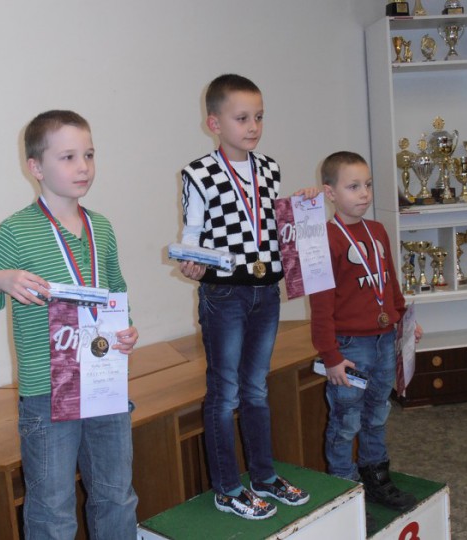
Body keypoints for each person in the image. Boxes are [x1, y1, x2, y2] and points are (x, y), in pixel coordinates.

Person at [0, 110, 138, 539]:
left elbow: (115, 290)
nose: (83, 166)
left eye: (89, 155)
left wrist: (126, 329)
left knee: (117, 496)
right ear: (35, 167)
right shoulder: (17, 231)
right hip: (48, 393)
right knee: (52, 509)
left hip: (104, 382)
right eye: (68, 157)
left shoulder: (101, 227)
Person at [178, 74, 314, 520]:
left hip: (265, 291)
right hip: (225, 294)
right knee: (225, 393)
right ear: (214, 123)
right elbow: (191, 234)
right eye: (242, 118)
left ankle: (263, 477)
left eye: (259, 117)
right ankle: (226, 488)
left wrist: (304, 205)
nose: (253, 126)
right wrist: (191, 260)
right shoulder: (198, 173)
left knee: (256, 388)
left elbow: (274, 225)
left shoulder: (269, 168)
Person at [309, 151, 422, 517]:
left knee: (377, 413)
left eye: (368, 185)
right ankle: (344, 491)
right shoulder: (324, 239)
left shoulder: (377, 231)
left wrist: (402, 322)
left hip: (384, 340)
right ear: (330, 193)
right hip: (349, 348)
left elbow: (390, 283)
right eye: (353, 186)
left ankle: (376, 477)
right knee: (346, 421)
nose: (364, 194)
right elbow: (320, 307)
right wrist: (331, 357)